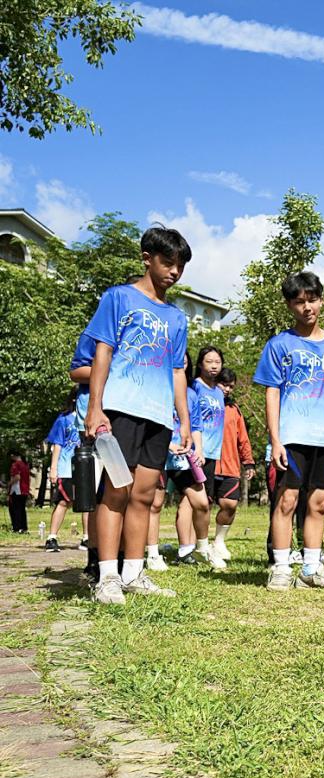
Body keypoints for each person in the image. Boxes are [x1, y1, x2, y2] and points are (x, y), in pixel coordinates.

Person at [82, 225, 191, 605]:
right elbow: (103, 353)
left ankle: (134, 572)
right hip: (122, 407)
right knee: (116, 491)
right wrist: (95, 407)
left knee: (144, 496)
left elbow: (178, 371)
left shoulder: (178, 318)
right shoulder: (118, 298)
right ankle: (107, 576)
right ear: (147, 258)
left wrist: (184, 420)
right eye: (167, 262)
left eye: (180, 265)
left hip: (159, 416)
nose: (174, 272)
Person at [253, 271, 324, 592]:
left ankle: (312, 568)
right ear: (289, 305)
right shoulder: (279, 345)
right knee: (287, 501)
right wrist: (275, 439)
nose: (307, 307)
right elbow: (271, 392)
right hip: (291, 436)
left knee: (319, 502)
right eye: (299, 301)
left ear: (321, 300)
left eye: (312, 299)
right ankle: (281, 567)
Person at [149, 351, 209, 570]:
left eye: (184, 360)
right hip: (159, 452)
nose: (181, 363)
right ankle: (152, 554)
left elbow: (196, 426)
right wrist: (167, 444)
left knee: (201, 502)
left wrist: (198, 449)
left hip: (184, 457)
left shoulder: (192, 394)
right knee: (154, 504)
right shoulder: (157, 388)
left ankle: (202, 548)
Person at [183, 346, 224, 563]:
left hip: (212, 451)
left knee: (202, 500)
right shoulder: (194, 387)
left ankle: (195, 547)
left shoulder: (218, 391)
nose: (214, 365)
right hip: (196, 450)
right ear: (200, 364)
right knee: (190, 500)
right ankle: (188, 547)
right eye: (209, 361)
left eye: (217, 361)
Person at [212, 368, 255, 559]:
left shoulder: (234, 410)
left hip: (229, 465)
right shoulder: (200, 401)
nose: (227, 389)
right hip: (206, 463)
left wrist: (248, 462)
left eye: (230, 386)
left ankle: (219, 542)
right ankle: (194, 546)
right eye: (224, 384)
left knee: (229, 504)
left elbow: (242, 438)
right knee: (199, 505)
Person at [68, 333, 100, 581]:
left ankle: (123, 558)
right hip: (92, 420)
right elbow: (76, 372)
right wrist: (112, 371)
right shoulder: (93, 334)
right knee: (95, 492)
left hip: (126, 415)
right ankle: (94, 557)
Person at [43, 387, 87, 552]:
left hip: (85, 467)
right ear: (75, 399)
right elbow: (57, 444)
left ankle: (86, 538)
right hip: (66, 467)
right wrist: (53, 468)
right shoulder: (64, 419)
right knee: (63, 501)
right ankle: (52, 537)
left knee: (88, 503)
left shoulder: (91, 419)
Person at [7, 452, 30, 534]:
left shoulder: (15, 465)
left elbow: (17, 477)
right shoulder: (25, 465)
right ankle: (24, 528)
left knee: (14, 509)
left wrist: (8, 484)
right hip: (25, 490)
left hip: (16, 490)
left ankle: (16, 527)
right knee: (22, 510)